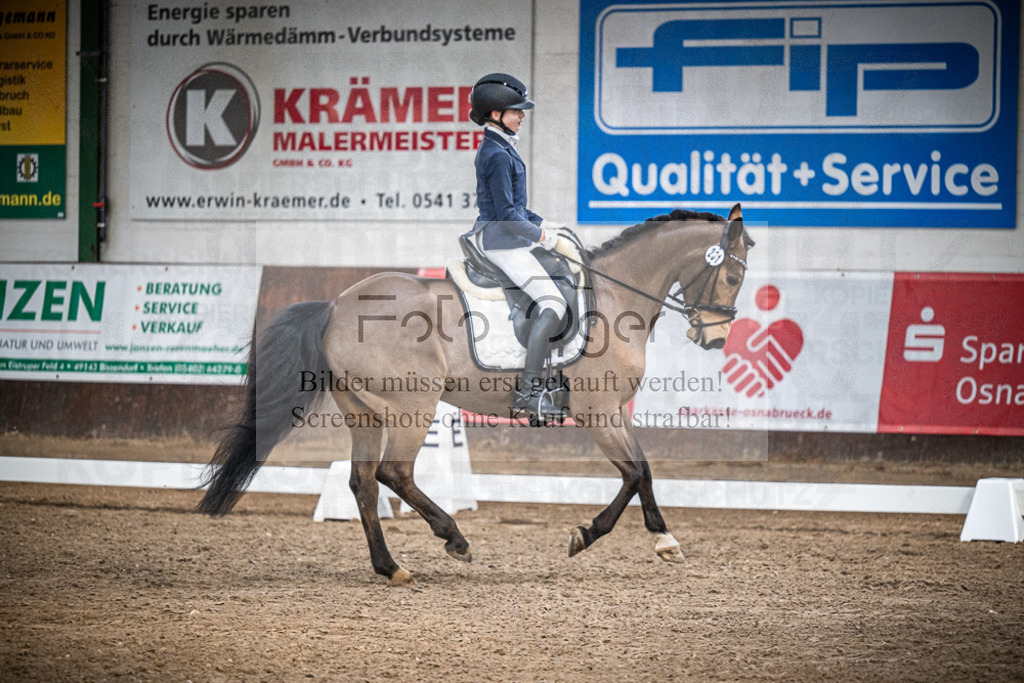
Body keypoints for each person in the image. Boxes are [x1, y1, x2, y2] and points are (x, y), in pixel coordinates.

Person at [464, 73, 567, 418]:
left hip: (507, 234)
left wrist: (543, 224)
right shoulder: (495, 154)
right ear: (496, 115)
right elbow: (507, 215)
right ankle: (530, 393)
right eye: (516, 110)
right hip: (501, 241)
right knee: (553, 305)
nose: (521, 115)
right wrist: (538, 236)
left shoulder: (502, 147)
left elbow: (516, 210)